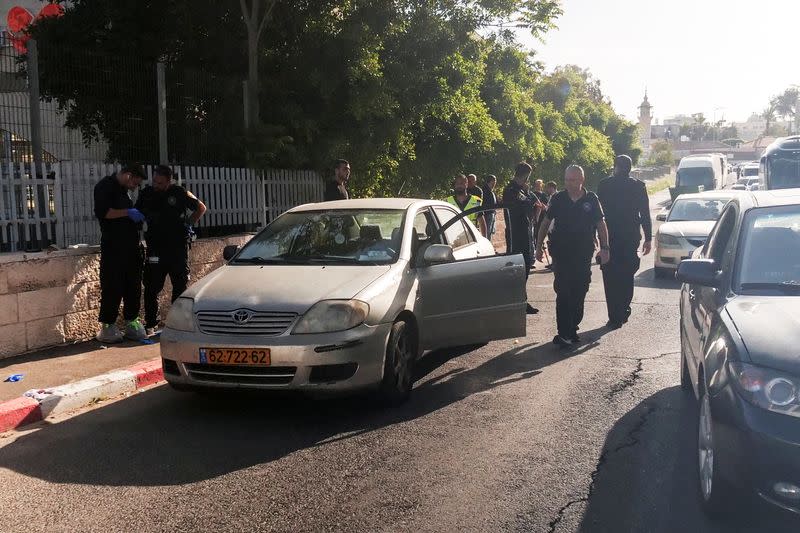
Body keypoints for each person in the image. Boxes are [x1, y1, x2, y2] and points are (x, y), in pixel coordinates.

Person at [536, 165, 610, 347]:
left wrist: (605, 247)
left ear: (581, 180)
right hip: (561, 253)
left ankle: (572, 325)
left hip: (583, 252)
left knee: (580, 290)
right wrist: (537, 246)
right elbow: (545, 223)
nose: (568, 183)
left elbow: (601, 224)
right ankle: (564, 333)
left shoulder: (591, 199)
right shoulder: (558, 198)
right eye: (566, 180)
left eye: (573, 180)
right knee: (563, 291)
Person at [136, 165, 207, 337]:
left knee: (180, 286)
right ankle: (151, 324)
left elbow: (201, 208)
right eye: (154, 181)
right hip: (155, 248)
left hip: (177, 248)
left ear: (169, 181)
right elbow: (137, 212)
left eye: (160, 183)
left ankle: (176, 323)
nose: (156, 185)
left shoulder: (180, 193)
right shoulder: (146, 193)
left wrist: (188, 224)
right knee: (152, 287)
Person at [93, 164, 148, 343]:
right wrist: (127, 212)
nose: (135, 187)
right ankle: (108, 325)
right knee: (112, 286)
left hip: (131, 247)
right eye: (135, 183)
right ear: (128, 175)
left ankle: (131, 321)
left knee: (133, 286)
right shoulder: (105, 187)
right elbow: (104, 213)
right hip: (113, 247)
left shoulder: (124, 191)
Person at [597, 154, 652, 329]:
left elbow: (598, 215)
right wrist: (648, 238)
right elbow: (645, 214)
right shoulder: (638, 186)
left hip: (609, 237)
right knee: (626, 275)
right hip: (630, 237)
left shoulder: (604, 185)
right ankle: (623, 310)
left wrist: (593, 234)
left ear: (615, 167)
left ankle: (614, 315)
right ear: (630, 168)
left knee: (610, 274)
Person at [502, 162, 539, 314]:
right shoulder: (511, 190)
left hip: (525, 232)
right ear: (525, 175)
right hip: (515, 233)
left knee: (526, 266)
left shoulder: (524, 190)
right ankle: (517, 301)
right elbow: (525, 205)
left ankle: (522, 300)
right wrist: (530, 201)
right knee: (518, 269)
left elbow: (534, 203)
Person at [481, 174, 498, 238]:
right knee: (487, 231)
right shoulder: (484, 190)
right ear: (489, 181)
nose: (495, 183)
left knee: (490, 231)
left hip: (491, 213)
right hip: (487, 214)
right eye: (493, 181)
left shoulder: (491, 191)